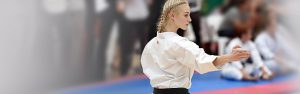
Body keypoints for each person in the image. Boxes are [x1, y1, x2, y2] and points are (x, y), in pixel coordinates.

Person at [140, 0, 250, 94]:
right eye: (186, 15)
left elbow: (147, 69)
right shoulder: (180, 43)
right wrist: (229, 57)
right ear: (172, 15)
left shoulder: (150, 45)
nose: (190, 19)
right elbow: (203, 62)